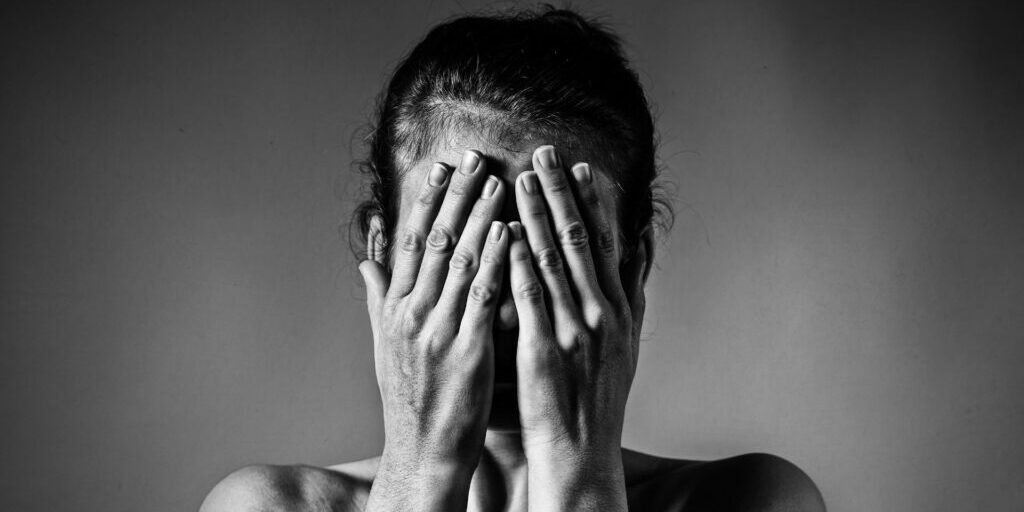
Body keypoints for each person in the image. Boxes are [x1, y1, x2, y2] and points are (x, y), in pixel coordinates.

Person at [200, 7, 825, 511]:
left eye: (550, 254)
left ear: (631, 270)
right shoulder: (265, 507)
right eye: (461, 253)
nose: (503, 316)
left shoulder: (755, 501)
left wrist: (580, 479)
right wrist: (420, 473)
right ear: (382, 252)